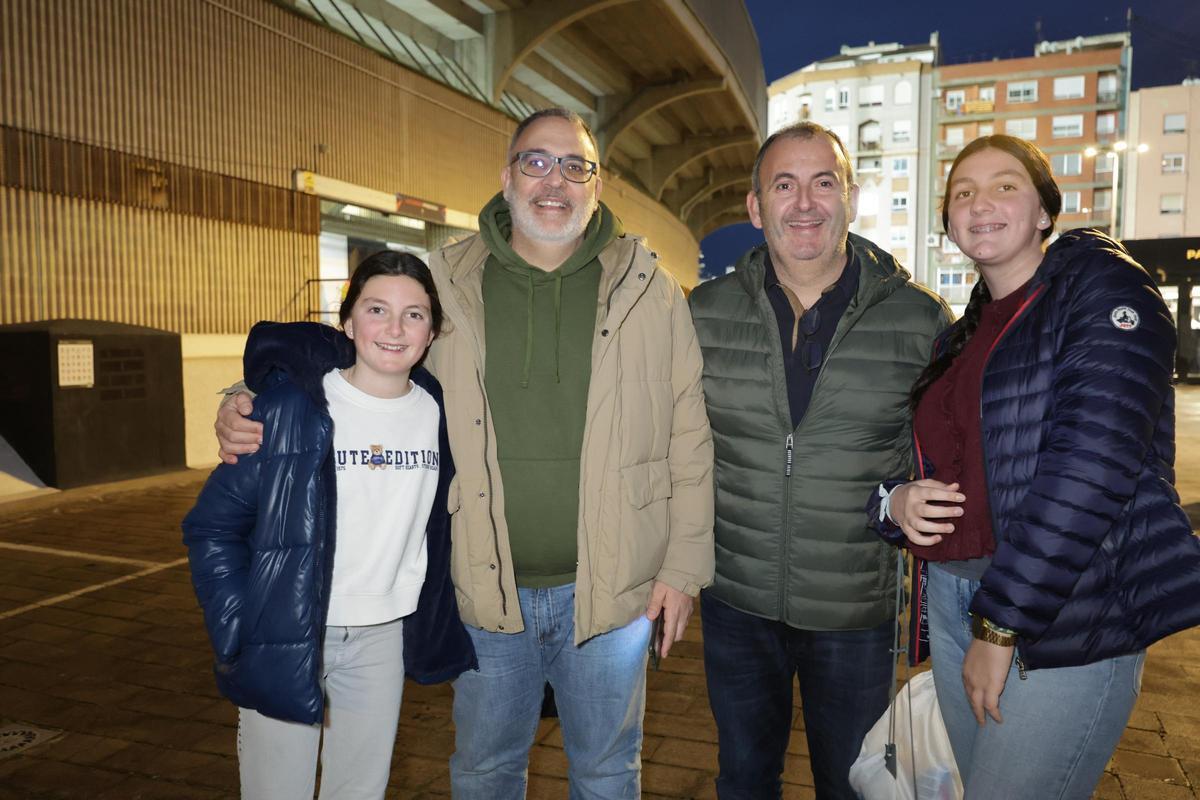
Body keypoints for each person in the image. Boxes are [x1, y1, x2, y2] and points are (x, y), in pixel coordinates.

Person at [213, 108, 715, 798]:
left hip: (613, 596)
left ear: (596, 187)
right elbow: (349, 352)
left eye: (575, 166)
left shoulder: (649, 289)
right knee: (485, 769)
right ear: (507, 176)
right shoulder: (445, 278)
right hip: (483, 588)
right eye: (537, 162)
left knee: (606, 771)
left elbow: (689, 431)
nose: (555, 181)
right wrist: (245, 392)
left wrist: (684, 568)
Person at [872, 134, 1200, 798]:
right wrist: (895, 502)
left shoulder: (1099, 288)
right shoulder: (962, 333)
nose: (979, 202)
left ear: (1047, 212)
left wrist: (1001, 624)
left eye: (1004, 185)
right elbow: (941, 461)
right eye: (962, 193)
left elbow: (1094, 465)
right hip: (957, 597)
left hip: (1064, 615)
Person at [687, 122, 951, 799]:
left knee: (853, 784)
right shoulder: (703, 314)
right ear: (755, 207)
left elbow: (946, 460)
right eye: (784, 185)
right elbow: (668, 446)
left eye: (822, 183)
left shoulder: (920, 321)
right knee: (743, 779)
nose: (804, 203)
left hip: (855, 609)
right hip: (736, 600)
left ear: (850, 198)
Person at [182, 251, 476, 799]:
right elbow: (211, 526)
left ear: (432, 331)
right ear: (347, 323)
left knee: (360, 792)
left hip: (383, 637)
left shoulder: (438, 410)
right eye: (376, 309)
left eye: (414, 314)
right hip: (288, 629)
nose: (394, 328)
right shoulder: (294, 408)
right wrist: (237, 623)